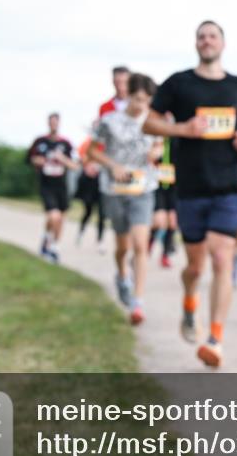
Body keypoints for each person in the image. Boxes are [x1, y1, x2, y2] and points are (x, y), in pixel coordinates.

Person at [143, 20, 237, 368]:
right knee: (195, 266)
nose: (207, 41)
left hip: (228, 186)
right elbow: (149, 122)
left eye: (213, 36)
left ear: (223, 43)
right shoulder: (178, 83)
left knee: (222, 257)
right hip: (190, 187)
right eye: (202, 36)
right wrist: (182, 128)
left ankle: (215, 338)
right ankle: (190, 299)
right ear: (196, 44)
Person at [88, 73, 163, 325]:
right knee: (123, 247)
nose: (142, 105)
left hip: (144, 189)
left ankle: (137, 302)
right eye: (138, 99)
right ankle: (122, 276)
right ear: (129, 95)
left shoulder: (154, 122)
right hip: (114, 189)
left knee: (141, 244)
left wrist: (156, 151)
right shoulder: (109, 121)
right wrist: (112, 166)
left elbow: (160, 145)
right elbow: (91, 152)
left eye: (147, 101)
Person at [27, 113, 79, 263]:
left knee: (60, 218)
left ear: (59, 124)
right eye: (51, 123)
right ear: (48, 123)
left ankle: (53, 245)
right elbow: (30, 158)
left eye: (56, 123)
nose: (53, 125)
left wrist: (62, 159)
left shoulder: (66, 144)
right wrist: (38, 161)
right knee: (53, 216)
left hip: (61, 185)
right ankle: (48, 241)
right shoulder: (40, 141)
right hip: (46, 184)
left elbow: (75, 165)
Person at [149, 128, 179, 269]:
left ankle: (165, 255)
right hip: (158, 186)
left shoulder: (178, 140)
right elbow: (149, 159)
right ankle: (147, 246)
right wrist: (156, 148)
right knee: (159, 222)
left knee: (172, 223)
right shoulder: (155, 140)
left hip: (174, 187)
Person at [75, 134, 106, 253]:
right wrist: (88, 165)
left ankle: (100, 241)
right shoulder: (88, 142)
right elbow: (82, 157)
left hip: (102, 182)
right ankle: (81, 233)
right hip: (89, 182)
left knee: (102, 214)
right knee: (88, 211)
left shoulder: (108, 143)